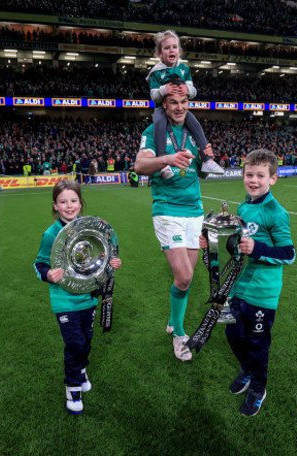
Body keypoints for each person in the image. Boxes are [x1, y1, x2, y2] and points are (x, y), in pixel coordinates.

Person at [135, 90, 216, 362]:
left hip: (194, 210)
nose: (180, 108)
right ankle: (179, 334)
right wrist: (168, 159)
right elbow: (140, 165)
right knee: (184, 277)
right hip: (167, 209)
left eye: (184, 102)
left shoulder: (194, 133)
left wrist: (207, 159)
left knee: (187, 277)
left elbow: (201, 174)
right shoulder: (153, 131)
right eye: (174, 103)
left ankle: (173, 319)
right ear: (165, 106)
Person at [34, 180, 122, 415]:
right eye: (63, 202)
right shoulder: (50, 234)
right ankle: (73, 389)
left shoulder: (90, 230)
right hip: (65, 300)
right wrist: (48, 274)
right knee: (74, 343)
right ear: (55, 206)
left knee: (86, 339)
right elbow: (39, 264)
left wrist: (111, 263)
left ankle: (81, 369)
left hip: (88, 297)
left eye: (73, 201)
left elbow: (103, 257)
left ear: (81, 204)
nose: (69, 206)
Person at [223, 149, 295, 416]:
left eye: (260, 175)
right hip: (239, 287)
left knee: (257, 343)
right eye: (249, 174)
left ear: (272, 179)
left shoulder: (276, 213)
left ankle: (258, 387)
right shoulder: (243, 207)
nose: (253, 180)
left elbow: (289, 254)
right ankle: (248, 369)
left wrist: (258, 248)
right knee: (231, 334)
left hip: (262, 293)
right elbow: (239, 245)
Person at [146, 30, 224, 178]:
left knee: (195, 123)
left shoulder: (184, 69)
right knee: (159, 123)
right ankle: (163, 163)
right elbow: (153, 96)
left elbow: (193, 92)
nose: (171, 50)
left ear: (179, 51)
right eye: (167, 48)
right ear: (160, 53)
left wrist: (187, 89)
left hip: (180, 108)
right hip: (162, 110)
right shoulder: (156, 72)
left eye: (174, 47)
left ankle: (207, 159)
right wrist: (164, 89)